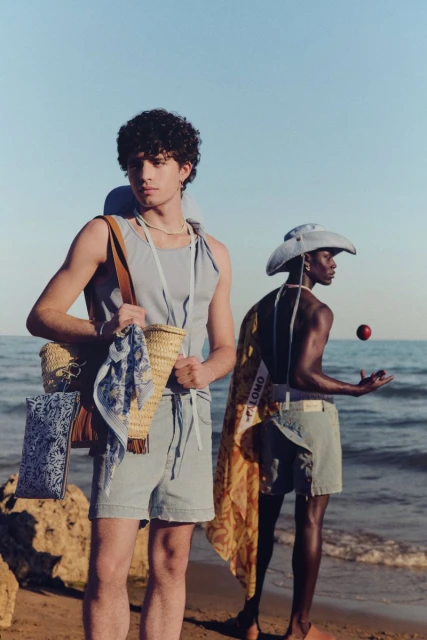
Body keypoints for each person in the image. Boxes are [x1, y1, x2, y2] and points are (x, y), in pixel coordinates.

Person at [26, 108, 236, 640]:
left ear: (184, 169)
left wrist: (206, 370)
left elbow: (226, 348)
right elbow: (41, 315)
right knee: (108, 567)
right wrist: (104, 329)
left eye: (157, 162)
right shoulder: (106, 233)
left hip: (190, 421)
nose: (144, 174)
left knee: (171, 563)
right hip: (126, 416)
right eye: (135, 163)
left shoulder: (214, 253)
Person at [206, 223, 393, 640]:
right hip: (311, 419)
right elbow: (304, 374)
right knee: (310, 521)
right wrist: (357, 389)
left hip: (273, 420)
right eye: (328, 257)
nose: (333, 266)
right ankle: (299, 628)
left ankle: (249, 618)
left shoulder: (263, 308)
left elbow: (258, 371)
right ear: (306, 259)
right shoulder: (319, 311)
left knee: (266, 521)